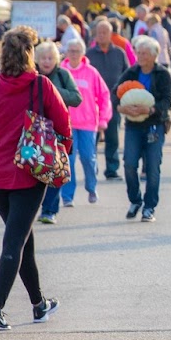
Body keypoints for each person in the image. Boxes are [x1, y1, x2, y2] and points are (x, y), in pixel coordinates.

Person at [0, 27, 69, 331]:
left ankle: (39, 304)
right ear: (30, 55)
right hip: (29, 172)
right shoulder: (41, 85)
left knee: (23, 236)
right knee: (15, 240)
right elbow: (64, 125)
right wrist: (60, 155)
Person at [116, 36, 171, 221]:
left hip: (154, 126)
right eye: (138, 53)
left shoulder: (162, 74)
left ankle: (149, 207)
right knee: (129, 164)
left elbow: (168, 99)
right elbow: (115, 93)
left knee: (152, 168)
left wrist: (151, 109)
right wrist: (121, 108)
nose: (140, 56)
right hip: (133, 126)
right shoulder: (131, 72)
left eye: (144, 53)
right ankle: (135, 200)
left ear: (154, 55)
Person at [59, 38, 113, 205]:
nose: (74, 54)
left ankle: (91, 186)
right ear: (66, 53)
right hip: (66, 124)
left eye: (77, 51)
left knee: (88, 158)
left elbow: (104, 96)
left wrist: (103, 119)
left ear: (83, 53)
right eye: (71, 51)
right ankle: (67, 196)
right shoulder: (60, 72)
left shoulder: (91, 72)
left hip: (88, 123)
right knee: (69, 160)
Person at [35, 42, 83, 224]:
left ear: (56, 60)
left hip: (58, 129)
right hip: (35, 129)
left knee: (56, 171)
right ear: (36, 60)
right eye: (43, 58)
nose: (46, 62)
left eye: (50, 58)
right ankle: (35, 208)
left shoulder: (63, 75)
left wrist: (53, 91)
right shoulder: (32, 75)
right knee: (36, 170)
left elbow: (76, 98)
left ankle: (49, 210)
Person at [88, 20, 131, 180]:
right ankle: (92, 169)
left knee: (113, 137)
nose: (101, 35)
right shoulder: (89, 54)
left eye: (104, 32)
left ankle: (112, 169)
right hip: (93, 104)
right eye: (98, 33)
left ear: (111, 34)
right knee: (92, 139)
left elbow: (127, 74)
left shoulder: (119, 53)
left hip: (113, 102)